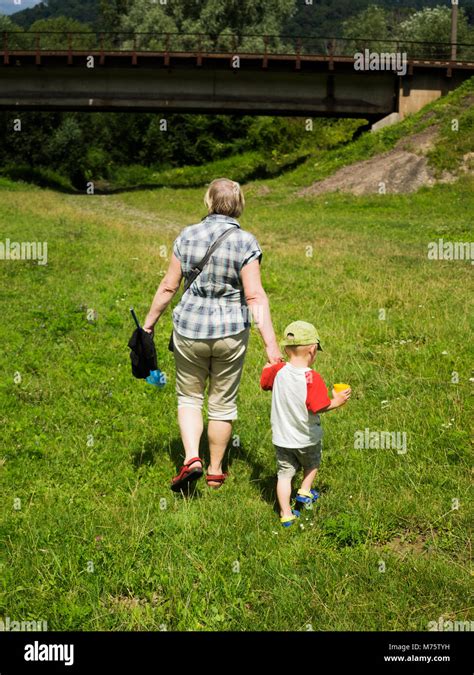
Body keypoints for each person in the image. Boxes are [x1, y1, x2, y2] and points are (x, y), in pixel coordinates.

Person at [143, 177, 282, 491]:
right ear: (239, 206)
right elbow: (255, 296)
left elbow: (168, 287)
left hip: (189, 330)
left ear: (208, 202)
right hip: (231, 332)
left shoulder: (187, 235)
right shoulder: (246, 241)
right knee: (223, 403)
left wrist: (148, 325)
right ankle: (216, 472)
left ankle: (192, 457)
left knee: (190, 397)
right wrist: (272, 348)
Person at [260, 321, 351, 527]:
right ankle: (304, 490)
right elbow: (318, 406)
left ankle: (285, 514)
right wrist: (336, 401)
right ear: (312, 349)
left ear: (285, 348)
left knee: (284, 475)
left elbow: (265, 383)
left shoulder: (278, 371)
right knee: (312, 464)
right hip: (307, 438)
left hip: (282, 439)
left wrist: (268, 366)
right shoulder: (311, 377)